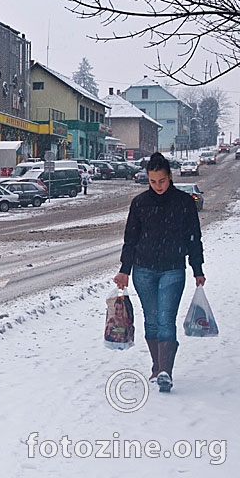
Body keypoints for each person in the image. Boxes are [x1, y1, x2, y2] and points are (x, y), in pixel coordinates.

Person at [113, 152, 205, 393]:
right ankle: (157, 367)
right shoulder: (140, 203)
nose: (158, 186)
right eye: (153, 181)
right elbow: (130, 239)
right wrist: (125, 270)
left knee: (166, 319)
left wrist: (198, 268)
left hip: (173, 269)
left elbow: (194, 238)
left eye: (161, 181)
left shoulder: (184, 203)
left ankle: (166, 371)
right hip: (143, 270)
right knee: (151, 321)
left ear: (170, 177)